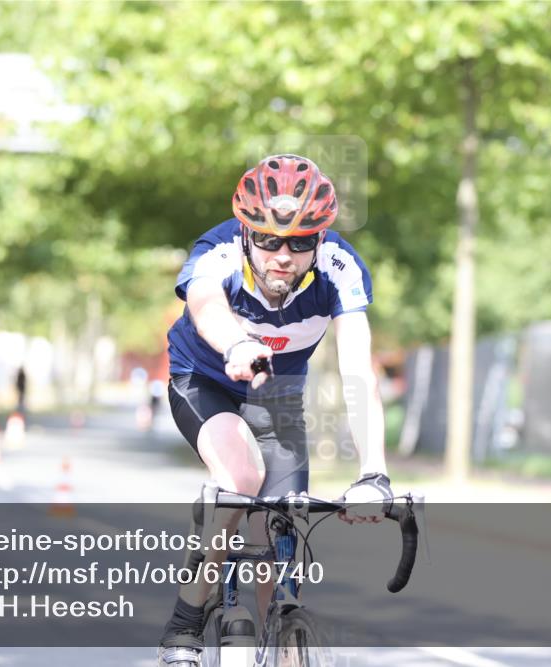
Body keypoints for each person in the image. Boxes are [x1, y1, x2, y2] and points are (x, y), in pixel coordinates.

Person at [158, 154, 393, 666]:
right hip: (205, 379)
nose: (283, 255)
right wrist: (237, 344)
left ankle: (285, 644)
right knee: (241, 478)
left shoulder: (340, 267)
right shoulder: (217, 250)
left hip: (277, 392)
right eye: (267, 240)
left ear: (320, 239)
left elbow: (358, 370)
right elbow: (205, 305)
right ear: (246, 233)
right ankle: (184, 625)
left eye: (300, 243)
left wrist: (373, 473)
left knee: (282, 526)